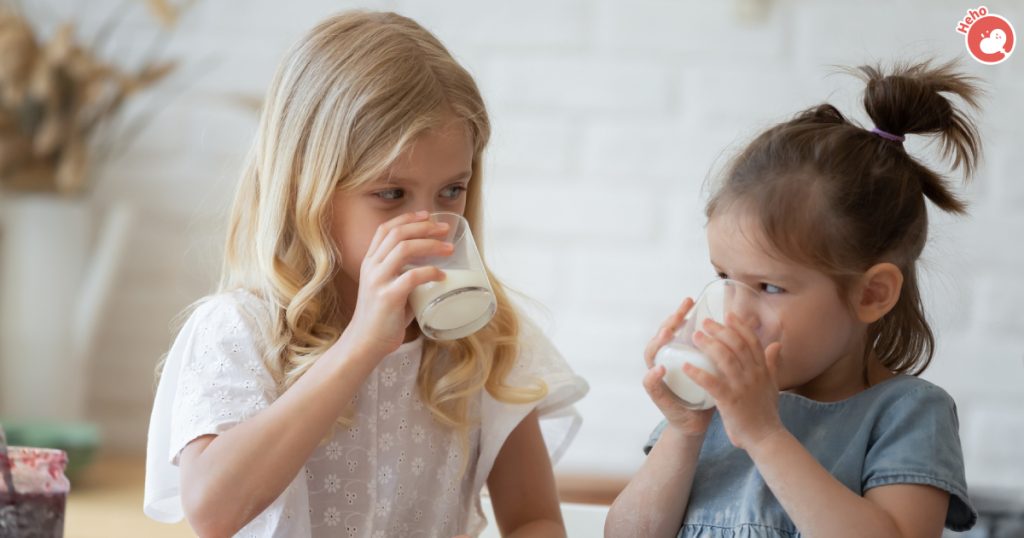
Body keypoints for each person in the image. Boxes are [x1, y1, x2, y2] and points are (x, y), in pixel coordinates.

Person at [143, 11, 588, 537]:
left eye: (451, 191)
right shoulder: (240, 331)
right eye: (391, 195)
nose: (426, 224)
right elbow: (213, 512)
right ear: (306, 187)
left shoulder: (482, 340)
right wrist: (359, 346)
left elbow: (534, 518)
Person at [606, 60, 980, 537]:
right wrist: (683, 429)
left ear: (872, 294)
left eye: (769, 288)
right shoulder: (713, 407)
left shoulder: (906, 414)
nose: (736, 309)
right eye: (723, 276)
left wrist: (765, 435)